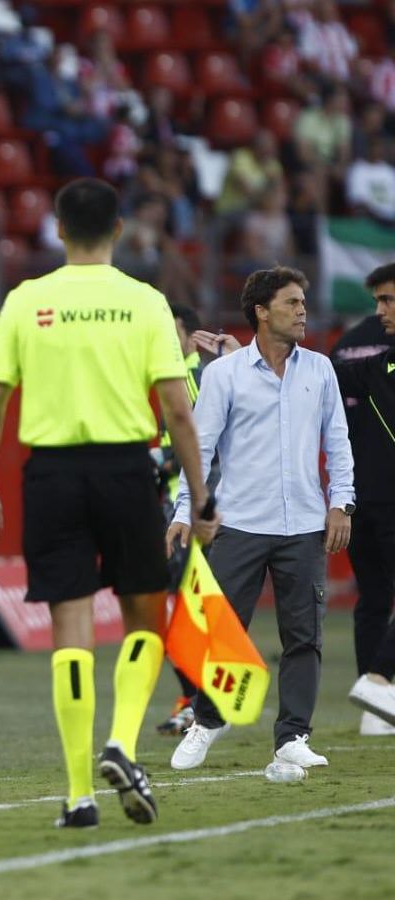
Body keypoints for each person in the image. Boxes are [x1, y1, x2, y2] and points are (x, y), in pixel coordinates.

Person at [0, 178, 218, 828]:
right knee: (145, 617)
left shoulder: (27, 299)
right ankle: (123, 744)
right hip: (124, 470)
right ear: (117, 231)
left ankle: (80, 793)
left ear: (57, 229)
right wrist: (200, 496)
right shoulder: (144, 302)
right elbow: (178, 414)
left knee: (70, 632)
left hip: (50, 476)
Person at [170, 266, 353, 774]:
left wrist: (342, 503)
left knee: (304, 637)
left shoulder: (319, 370)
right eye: (292, 303)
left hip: (305, 527)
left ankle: (292, 735)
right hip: (239, 523)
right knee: (223, 631)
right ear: (261, 311)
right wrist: (186, 510)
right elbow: (200, 450)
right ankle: (207, 721)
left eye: (302, 303)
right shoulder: (224, 374)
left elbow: (337, 444)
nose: (302, 312)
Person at [332, 266, 395, 733]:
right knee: (375, 595)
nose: (380, 311)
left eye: (388, 300)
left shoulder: (370, 358)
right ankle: (377, 679)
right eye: (378, 301)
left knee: (372, 597)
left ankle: (376, 705)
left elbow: (325, 376)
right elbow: (324, 377)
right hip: (379, 496)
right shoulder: (382, 363)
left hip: (361, 492)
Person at [153, 303, 207, 738]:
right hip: (178, 511)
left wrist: (160, 461)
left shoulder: (191, 377)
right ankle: (192, 701)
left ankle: (195, 703)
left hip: (187, 516)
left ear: (190, 337)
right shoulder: (181, 378)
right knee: (180, 612)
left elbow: (202, 446)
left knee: (178, 615)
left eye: (172, 332)